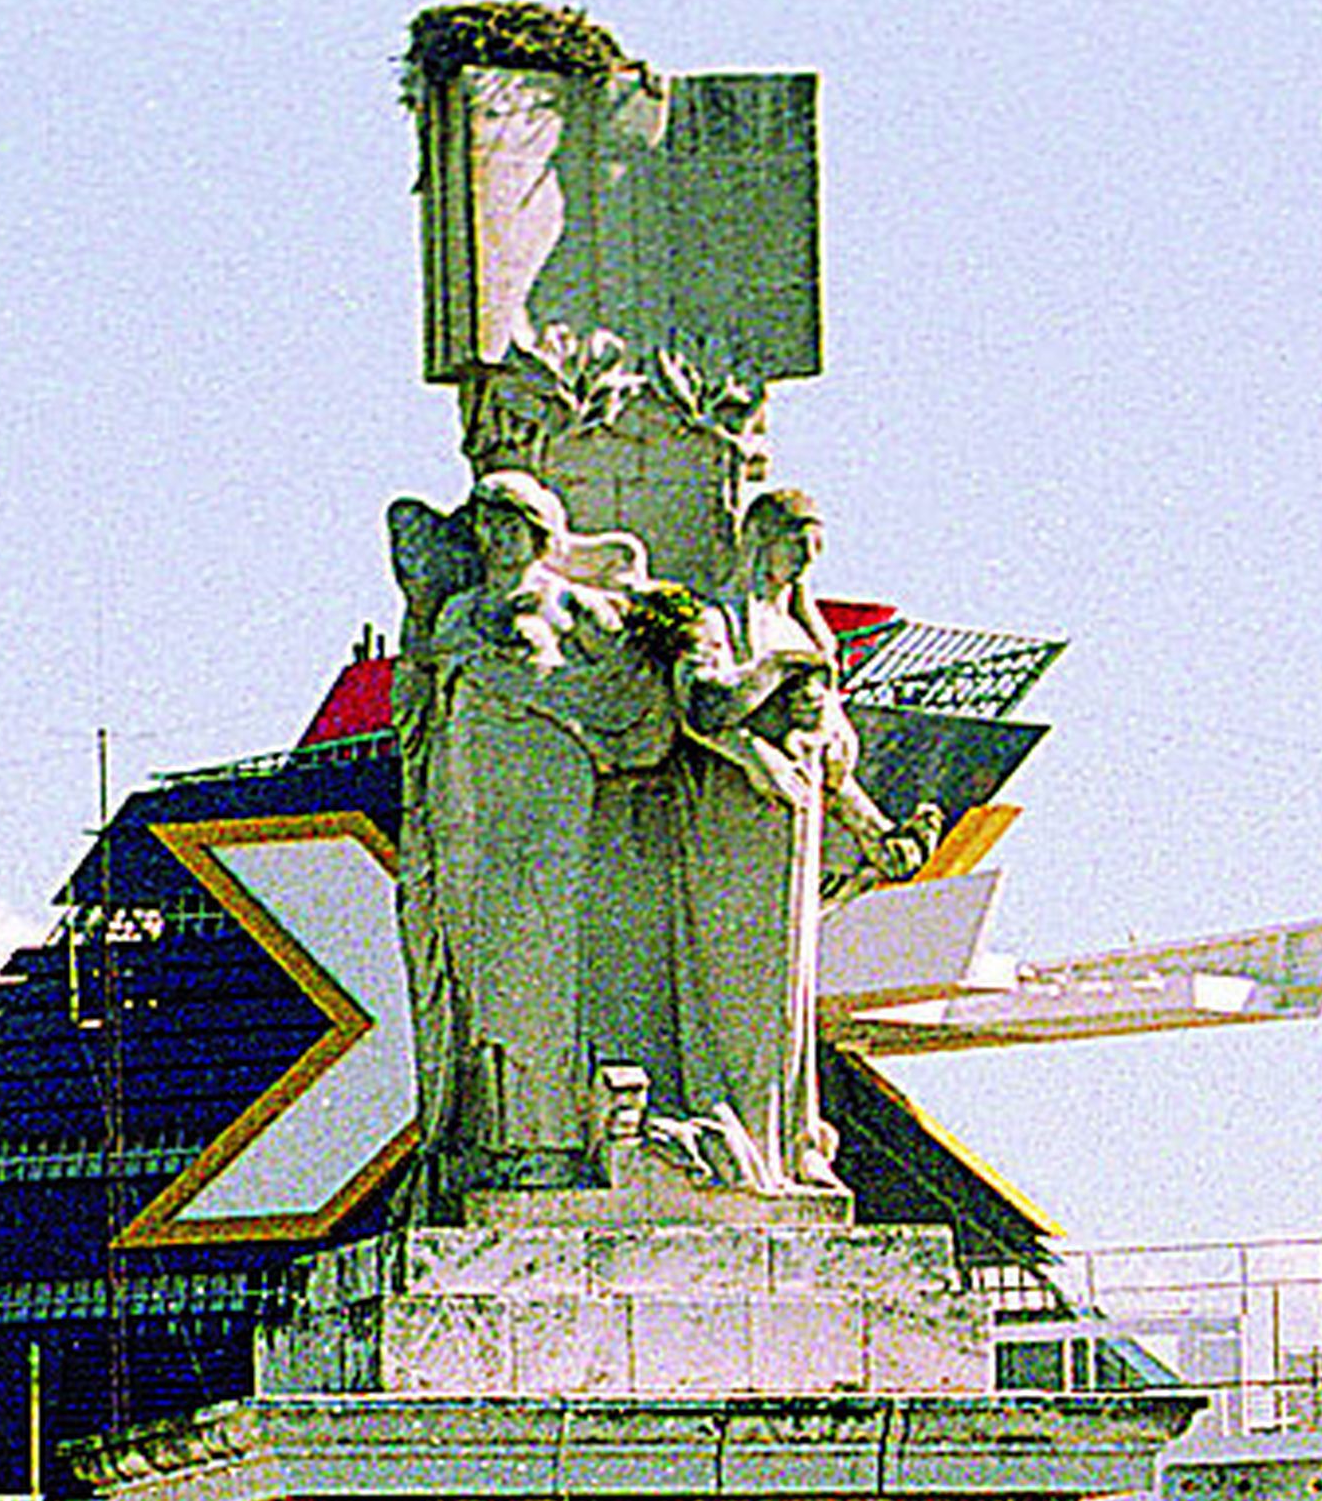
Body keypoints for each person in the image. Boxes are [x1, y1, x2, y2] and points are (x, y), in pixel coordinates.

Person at [389, 469, 671, 1170]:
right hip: (469, 799)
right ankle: (497, 1133)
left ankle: (548, 1136)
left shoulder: (570, 603)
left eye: (511, 523)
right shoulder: (457, 614)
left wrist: (556, 702)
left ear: (540, 531)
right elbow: (428, 701)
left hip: (546, 793)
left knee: (539, 956)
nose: (497, 537)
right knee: (481, 964)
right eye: (486, 524)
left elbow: (635, 680)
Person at [671, 488, 939, 1192]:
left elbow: (828, 757)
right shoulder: (717, 619)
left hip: (795, 832)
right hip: (729, 829)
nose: (801, 566)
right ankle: (731, 1125)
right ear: (763, 541)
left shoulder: (809, 633)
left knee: (788, 996)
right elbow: (701, 707)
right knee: (736, 985)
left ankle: (791, 1141)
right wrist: (770, 697)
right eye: (794, 548)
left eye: (811, 555)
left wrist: (877, 833)